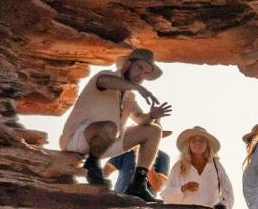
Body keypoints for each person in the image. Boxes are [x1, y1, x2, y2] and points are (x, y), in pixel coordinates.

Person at [58, 48, 172, 200]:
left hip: (106, 143)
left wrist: (152, 115)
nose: (141, 75)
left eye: (146, 73)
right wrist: (137, 87)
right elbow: (105, 81)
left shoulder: (129, 96)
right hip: (76, 139)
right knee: (110, 127)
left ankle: (137, 185)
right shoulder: (106, 77)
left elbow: (140, 119)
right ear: (127, 64)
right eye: (139, 67)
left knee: (153, 130)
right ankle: (92, 168)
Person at [162, 127, 234, 209]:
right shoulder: (179, 166)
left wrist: (223, 206)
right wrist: (183, 188)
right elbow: (167, 196)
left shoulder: (216, 165)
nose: (198, 143)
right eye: (194, 140)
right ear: (189, 144)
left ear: (207, 144)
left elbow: (228, 190)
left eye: (201, 140)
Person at [106, 148, 171, 196]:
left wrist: (147, 162)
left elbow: (159, 187)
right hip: (119, 199)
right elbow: (104, 173)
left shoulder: (163, 157)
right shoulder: (124, 152)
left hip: (145, 206)